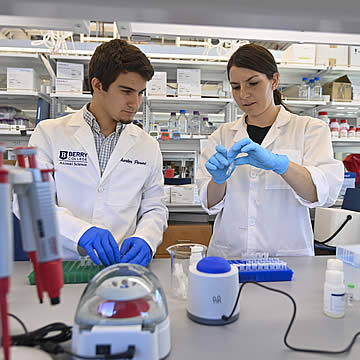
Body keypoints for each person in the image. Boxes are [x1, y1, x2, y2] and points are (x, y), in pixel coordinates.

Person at [14, 39, 168, 267]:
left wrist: (145, 239)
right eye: (126, 91)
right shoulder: (49, 134)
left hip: (120, 267)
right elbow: (27, 201)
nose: (135, 103)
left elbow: (155, 207)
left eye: (140, 93)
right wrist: (81, 232)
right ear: (97, 85)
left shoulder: (148, 145)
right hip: (62, 266)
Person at [196, 44, 343, 257]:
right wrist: (218, 181)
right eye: (236, 87)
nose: (243, 94)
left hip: (289, 258)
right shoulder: (222, 135)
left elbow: (319, 194)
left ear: (274, 81)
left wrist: (280, 165)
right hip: (230, 255)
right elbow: (210, 204)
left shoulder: (309, 129)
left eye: (253, 83)